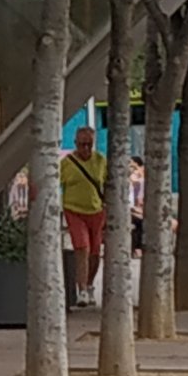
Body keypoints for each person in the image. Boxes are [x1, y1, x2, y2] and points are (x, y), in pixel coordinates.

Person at [60, 126, 110, 305]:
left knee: (95, 252)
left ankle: (89, 285)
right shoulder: (66, 163)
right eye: (82, 145)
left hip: (96, 211)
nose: (86, 149)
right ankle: (81, 289)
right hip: (74, 210)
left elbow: (108, 185)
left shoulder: (100, 161)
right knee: (82, 247)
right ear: (75, 144)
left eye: (89, 145)